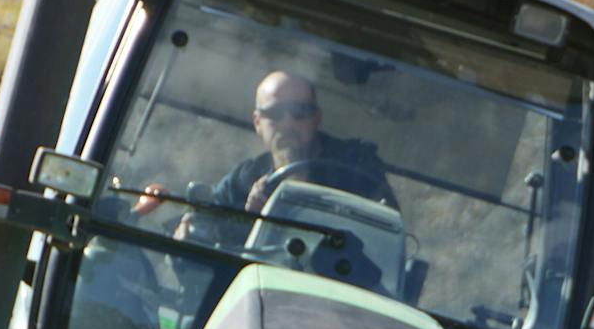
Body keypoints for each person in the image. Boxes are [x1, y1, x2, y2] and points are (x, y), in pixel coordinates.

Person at [133, 70, 396, 224]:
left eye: (299, 112)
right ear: (258, 122)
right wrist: (250, 220)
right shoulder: (242, 181)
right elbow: (210, 235)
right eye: (275, 114)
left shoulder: (357, 167)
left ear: (317, 118)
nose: (287, 123)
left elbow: (385, 235)